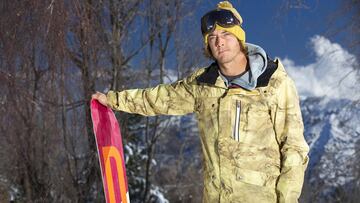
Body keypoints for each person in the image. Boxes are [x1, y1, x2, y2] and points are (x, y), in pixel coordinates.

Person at [92, 1, 309, 202]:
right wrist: (113, 100)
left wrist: (287, 199)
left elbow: (294, 148)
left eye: (226, 34)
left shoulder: (273, 83)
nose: (219, 41)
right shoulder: (203, 85)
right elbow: (158, 99)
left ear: (239, 38)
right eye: (212, 37)